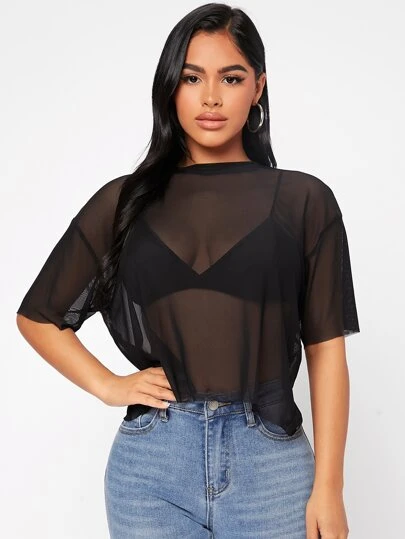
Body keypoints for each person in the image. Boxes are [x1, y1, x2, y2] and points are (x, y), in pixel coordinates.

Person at [16, 3, 360, 538]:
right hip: (152, 468)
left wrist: (330, 487)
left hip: (271, 466)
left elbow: (325, 348)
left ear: (259, 87)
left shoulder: (304, 200)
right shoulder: (124, 202)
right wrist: (108, 385)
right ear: (170, 87)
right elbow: (39, 316)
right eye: (192, 77)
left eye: (232, 78)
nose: (211, 97)